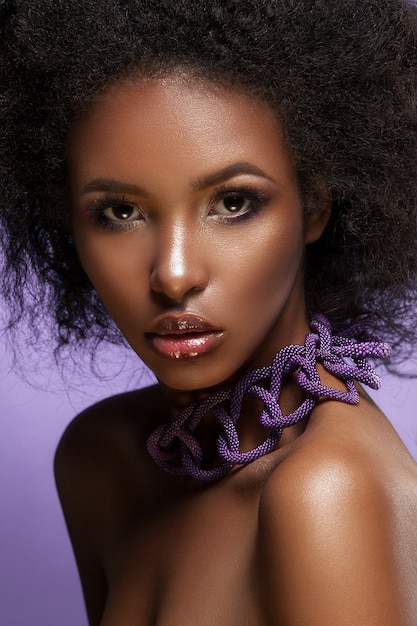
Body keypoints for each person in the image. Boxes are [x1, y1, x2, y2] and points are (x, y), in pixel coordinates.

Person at [1, 0, 417, 623]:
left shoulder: (324, 493)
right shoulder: (101, 461)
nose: (173, 274)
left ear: (315, 206)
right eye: (120, 212)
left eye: (231, 202)